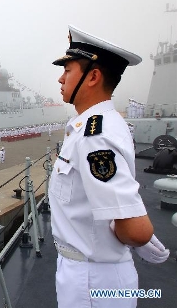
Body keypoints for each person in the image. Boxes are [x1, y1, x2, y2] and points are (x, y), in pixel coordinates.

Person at [49, 25, 169, 308]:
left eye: (68, 70)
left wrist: (132, 232)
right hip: (92, 272)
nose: (60, 78)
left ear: (92, 76)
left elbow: (136, 230)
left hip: (92, 281)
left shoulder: (96, 136)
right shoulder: (97, 125)